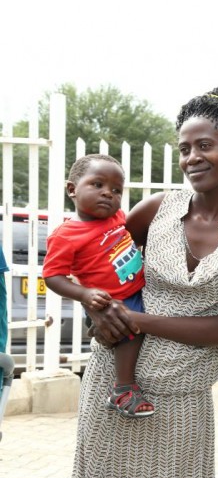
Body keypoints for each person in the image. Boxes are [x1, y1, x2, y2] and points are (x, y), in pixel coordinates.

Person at [71, 87, 218, 478]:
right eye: (184, 149)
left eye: (204, 145)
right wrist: (96, 312)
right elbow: (94, 264)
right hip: (113, 388)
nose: (192, 158)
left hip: (183, 400)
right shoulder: (155, 209)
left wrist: (133, 319)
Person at [43, 153, 153, 418]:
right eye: (97, 185)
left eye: (116, 190)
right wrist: (84, 294)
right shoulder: (66, 235)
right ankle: (123, 390)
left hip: (138, 289)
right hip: (111, 301)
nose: (108, 194)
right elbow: (52, 276)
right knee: (129, 331)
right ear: (72, 189)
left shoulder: (118, 219)